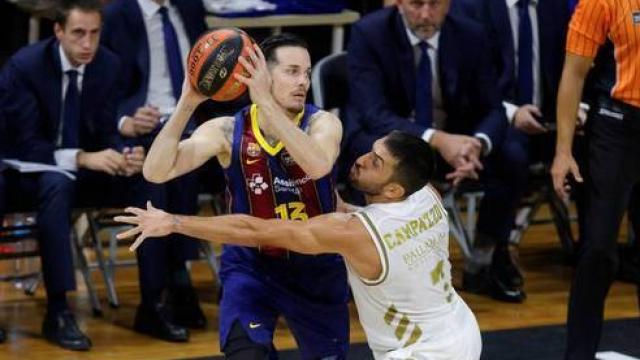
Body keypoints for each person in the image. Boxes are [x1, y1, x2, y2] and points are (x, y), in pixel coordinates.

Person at [116, 131, 483, 360]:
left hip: (421, 351)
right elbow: (385, 223)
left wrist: (175, 221)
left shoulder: (353, 232)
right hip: (460, 329)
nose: (361, 159)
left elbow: (254, 229)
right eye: (370, 151)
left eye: (375, 163)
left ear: (393, 190)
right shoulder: (428, 194)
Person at [141, 33, 348, 359]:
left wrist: (264, 99)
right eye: (292, 71)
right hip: (252, 267)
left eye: (307, 73)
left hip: (316, 270)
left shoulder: (323, 123)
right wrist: (187, 102)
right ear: (261, 73)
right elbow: (155, 171)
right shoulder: (226, 129)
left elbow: (318, 164)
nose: (303, 82)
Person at [343, 0, 528, 301]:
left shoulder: (471, 33)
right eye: (416, 4)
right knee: (363, 150)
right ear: (400, 2)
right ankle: (369, 265)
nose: (426, 13)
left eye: (435, 4)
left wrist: (475, 145)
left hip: (456, 143)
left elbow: (493, 108)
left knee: (513, 156)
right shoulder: (371, 32)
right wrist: (439, 140)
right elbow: (372, 112)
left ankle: (485, 260)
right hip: (391, 140)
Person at [0, 0, 144, 350]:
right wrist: (82, 157)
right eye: (78, 34)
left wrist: (123, 156)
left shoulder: (107, 65)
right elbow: (24, 144)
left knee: (146, 175)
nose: (87, 44)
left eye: (95, 34)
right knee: (57, 184)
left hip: (76, 172)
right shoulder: (26, 66)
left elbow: (106, 129)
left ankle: (160, 300)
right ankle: (60, 308)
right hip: (19, 170)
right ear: (59, 31)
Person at [100, 0, 210, 341]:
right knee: (154, 178)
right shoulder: (120, 14)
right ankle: (156, 299)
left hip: (193, 127)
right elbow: (99, 86)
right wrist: (125, 122)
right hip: (140, 131)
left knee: (234, 163)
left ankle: (181, 276)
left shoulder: (189, 7)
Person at [457, 0, 571, 300]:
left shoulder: (554, 7)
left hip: (550, 117)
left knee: (602, 143)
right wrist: (511, 112)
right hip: (492, 117)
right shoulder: (472, 8)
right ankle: (490, 256)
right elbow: (468, 83)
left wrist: (577, 110)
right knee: (511, 155)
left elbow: (571, 66)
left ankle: (595, 250)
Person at [550, 0, 640, 358]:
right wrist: (563, 152)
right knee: (599, 249)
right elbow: (573, 73)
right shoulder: (603, 1)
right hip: (615, 128)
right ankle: (579, 354)